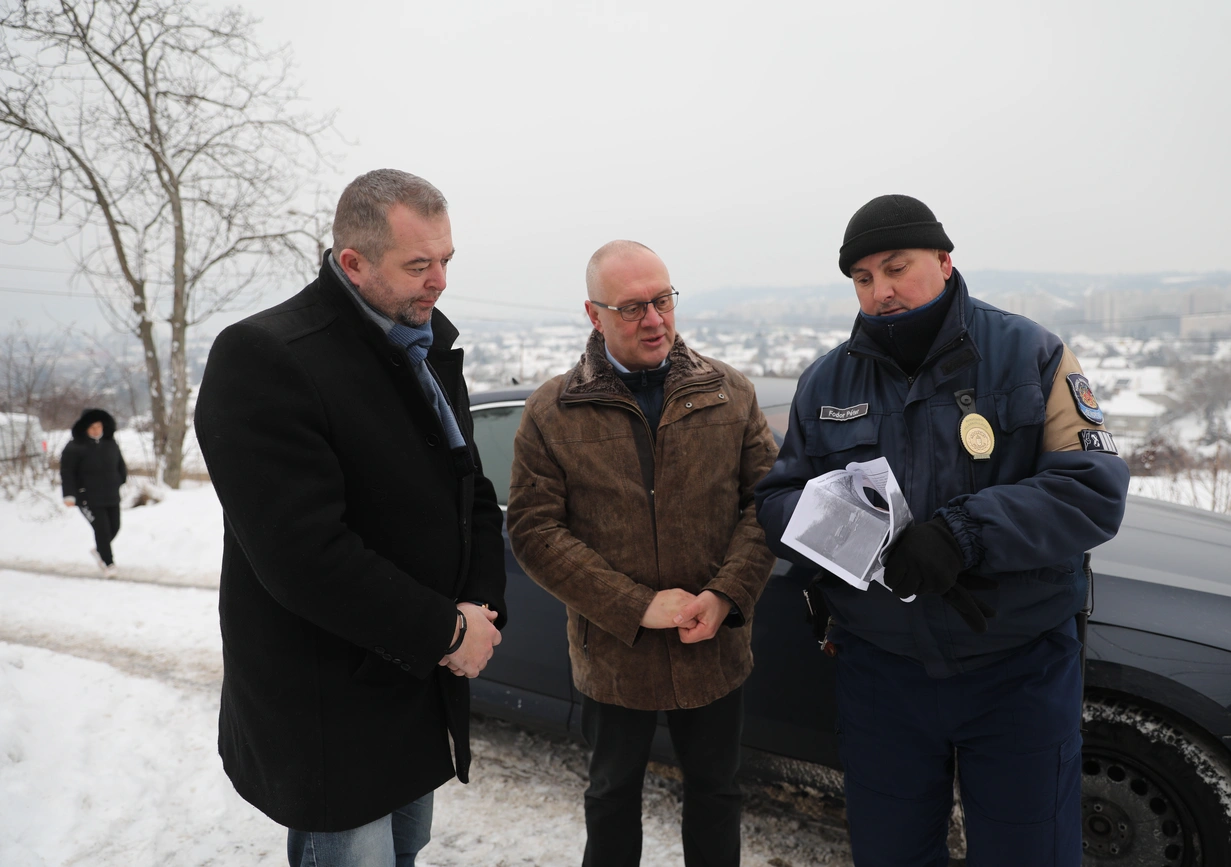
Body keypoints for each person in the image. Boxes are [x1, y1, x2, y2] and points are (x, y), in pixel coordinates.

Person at [754, 195, 1129, 867]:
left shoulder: (1030, 354)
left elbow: (1092, 490)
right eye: (863, 279)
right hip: (881, 675)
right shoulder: (825, 381)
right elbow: (778, 498)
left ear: (945, 259)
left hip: (1017, 668)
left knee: (1030, 853)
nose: (881, 291)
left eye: (896, 268)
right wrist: (856, 534)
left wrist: (962, 533)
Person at [194, 169, 506, 867]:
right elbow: (303, 556)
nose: (440, 282)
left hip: (414, 688)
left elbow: (472, 493)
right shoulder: (265, 357)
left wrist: (481, 610)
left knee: (404, 852)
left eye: (447, 260)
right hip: (331, 708)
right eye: (419, 265)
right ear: (353, 262)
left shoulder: (420, 343)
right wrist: (446, 629)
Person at [507, 240, 777, 867]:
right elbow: (534, 529)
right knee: (610, 797)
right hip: (614, 654)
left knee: (716, 793)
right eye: (632, 308)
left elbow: (767, 507)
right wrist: (636, 606)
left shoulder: (729, 394)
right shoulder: (554, 410)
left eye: (662, 300)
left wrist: (726, 595)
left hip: (712, 643)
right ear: (593, 313)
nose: (654, 319)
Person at [60, 408, 128, 576]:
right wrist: (69, 495)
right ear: (85, 428)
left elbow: (120, 465)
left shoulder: (110, 443)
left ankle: (99, 550)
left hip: (111, 494)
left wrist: (120, 480)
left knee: (115, 527)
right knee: (102, 530)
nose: (96, 430)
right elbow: (67, 473)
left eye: (99, 426)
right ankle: (108, 563)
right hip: (88, 497)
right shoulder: (74, 447)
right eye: (92, 427)